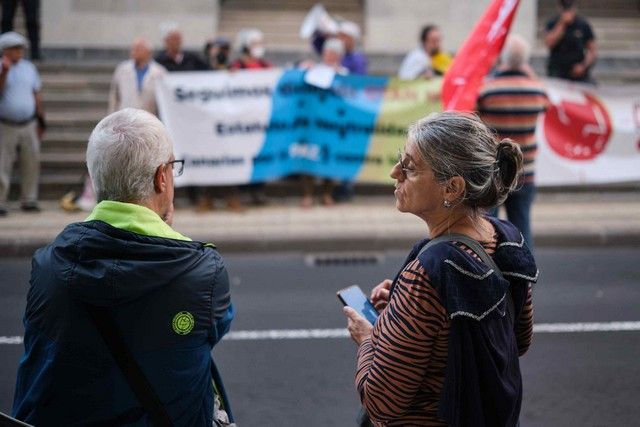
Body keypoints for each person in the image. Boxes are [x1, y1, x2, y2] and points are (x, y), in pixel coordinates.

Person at [12, 108, 235, 426]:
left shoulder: (47, 266)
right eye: (172, 168)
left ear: (94, 176)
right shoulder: (203, 273)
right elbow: (211, 329)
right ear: (162, 178)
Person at [343, 112, 537, 426]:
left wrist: (369, 337)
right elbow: (518, 339)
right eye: (399, 161)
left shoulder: (427, 276)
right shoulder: (506, 239)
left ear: (452, 188)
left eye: (409, 167)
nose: (395, 173)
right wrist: (403, 313)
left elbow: (380, 403)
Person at [477, 34, 549, 251]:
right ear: (525, 60)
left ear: (503, 57)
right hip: (525, 170)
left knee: (488, 229)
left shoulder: (487, 88)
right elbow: (547, 105)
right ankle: (524, 277)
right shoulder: (537, 89)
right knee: (522, 226)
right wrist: (527, 71)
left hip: (493, 170)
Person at [0, 31, 44, 216]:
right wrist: (5, 71)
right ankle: (1, 200)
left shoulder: (29, 68)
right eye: (16, 48)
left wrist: (41, 119)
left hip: (28, 123)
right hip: (6, 124)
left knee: (31, 161)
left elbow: (36, 93)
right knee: (2, 163)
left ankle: (29, 199)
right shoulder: (2, 67)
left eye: (21, 48)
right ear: (6, 50)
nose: (20, 51)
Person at [300, 37, 346, 208]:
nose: (329, 56)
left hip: (333, 124)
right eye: (327, 52)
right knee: (309, 157)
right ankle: (308, 194)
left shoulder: (344, 74)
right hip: (314, 123)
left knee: (331, 158)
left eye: (333, 53)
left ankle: (327, 193)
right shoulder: (314, 70)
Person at [230, 28, 271, 206]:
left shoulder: (265, 65)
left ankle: (258, 190)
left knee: (260, 154)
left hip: (260, 119)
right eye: (256, 44)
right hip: (242, 119)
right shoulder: (238, 66)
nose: (259, 47)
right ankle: (241, 192)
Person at [109, 37, 167, 115]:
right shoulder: (122, 69)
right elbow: (114, 96)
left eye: (138, 49)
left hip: (149, 117)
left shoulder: (160, 72)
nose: (134, 52)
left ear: (148, 52)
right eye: (133, 49)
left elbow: (164, 99)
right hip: (125, 117)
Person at [544, 0, 597, 82]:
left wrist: (583, 66)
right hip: (557, 71)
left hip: (579, 72)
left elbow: (592, 51)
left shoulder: (583, 25)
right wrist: (562, 24)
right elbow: (549, 43)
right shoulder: (552, 23)